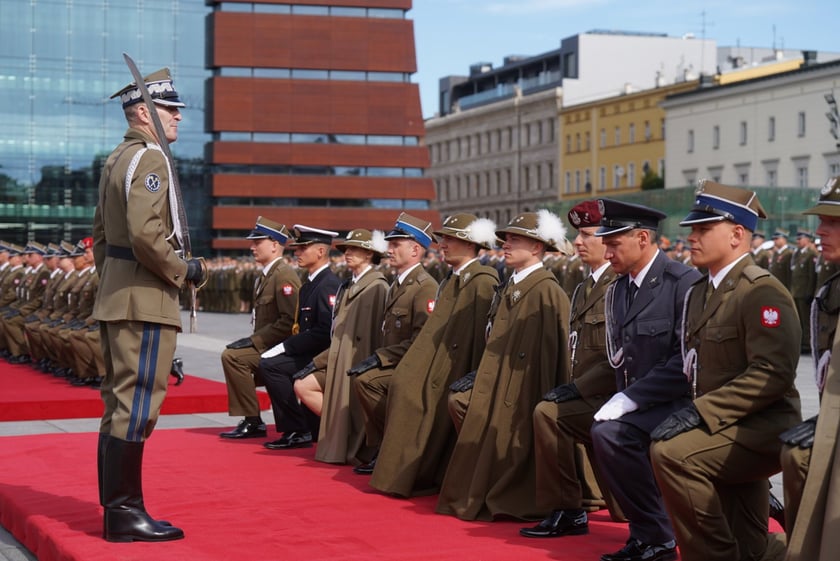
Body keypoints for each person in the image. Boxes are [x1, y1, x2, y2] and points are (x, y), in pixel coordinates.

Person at [648, 180, 801, 561]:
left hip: (763, 423)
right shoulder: (702, 290)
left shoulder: (761, 291)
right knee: (751, 544)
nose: (693, 238)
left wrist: (699, 413)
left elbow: (772, 373)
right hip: (726, 424)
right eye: (693, 230)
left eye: (703, 229)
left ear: (736, 235)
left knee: (673, 454)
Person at [92, 67, 205, 543]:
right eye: (169, 109)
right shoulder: (150, 158)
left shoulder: (119, 157)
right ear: (143, 112)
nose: (177, 116)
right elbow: (145, 235)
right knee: (137, 404)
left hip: (120, 293)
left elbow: (100, 239)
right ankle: (124, 513)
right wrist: (185, 271)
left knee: (119, 403)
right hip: (145, 298)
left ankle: (118, 511)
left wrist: (115, 283)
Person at [437, 210, 571, 521]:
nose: (506, 245)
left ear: (537, 247)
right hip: (497, 378)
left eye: (515, 239)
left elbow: (556, 357)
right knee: (462, 404)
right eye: (506, 239)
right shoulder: (513, 283)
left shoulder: (547, 290)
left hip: (523, 388)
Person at [590, 199, 701, 561]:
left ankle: (658, 537)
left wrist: (630, 399)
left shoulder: (682, 283)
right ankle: (648, 532)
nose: (606, 252)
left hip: (678, 402)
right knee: (590, 426)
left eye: (613, 243)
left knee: (610, 435)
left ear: (641, 238)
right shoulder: (620, 289)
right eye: (604, 243)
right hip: (639, 401)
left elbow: (685, 358)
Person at [369, 213, 499, 497]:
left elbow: (479, 340)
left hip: (456, 368)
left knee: (412, 392)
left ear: (470, 244)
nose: (443, 244)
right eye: (444, 239)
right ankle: (404, 470)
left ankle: (418, 470)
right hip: (439, 363)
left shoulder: (482, 281)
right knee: (403, 385)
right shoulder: (454, 279)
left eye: (451, 239)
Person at [520, 200, 623, 539]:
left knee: (549, 414)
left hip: (613, 395)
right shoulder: (583, 288)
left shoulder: (617, 287)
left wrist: (577, 389)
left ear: (608, 240)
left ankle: (568, 508)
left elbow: (619, 357)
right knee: (550, 409)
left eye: (587, 235)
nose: (577, 243)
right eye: (578, 235)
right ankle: (570, 506)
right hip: (590, 392)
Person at [780, 175, 840, 561]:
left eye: (833, 222)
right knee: (796, 454)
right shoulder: (831, 288)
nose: (820, 230)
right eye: (821, 221)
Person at [350, 213, 439, 474]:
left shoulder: (424, 287)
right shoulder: (398, 284)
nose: (389, 250)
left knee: (367, 381)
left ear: (415, 249)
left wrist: (380, 358)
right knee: (363, 379)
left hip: (411, 365)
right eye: (390, 244)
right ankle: (383, 446)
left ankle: (388, 446)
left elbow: (421, 339)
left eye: (395, 245)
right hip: (397, 361)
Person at [293, 229, 388, 465]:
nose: (347, 253)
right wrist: (317, 362)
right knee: (303, 386)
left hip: (357, 361)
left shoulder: (377, 287)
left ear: (368, 254)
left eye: (354, 249)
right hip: (337, 358)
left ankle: (351, 439)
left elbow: (376, 334)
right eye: (346, 249)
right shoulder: (348, 285)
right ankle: (339, 433)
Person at [258, 225, 340, 450]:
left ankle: (297, 429)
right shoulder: (310, 285)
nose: (297, 252)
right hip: (309, 351)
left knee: (271, 366)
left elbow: (325, 333)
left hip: (321, 356)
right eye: (297, 248)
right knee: (271, 364)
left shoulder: (328, 285)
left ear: (321, 252)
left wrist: (286, 346)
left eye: (304, 248)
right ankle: (307, 424)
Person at [218, 216, 300, 439]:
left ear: (275, 245)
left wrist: (253, 342)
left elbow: (289, 321)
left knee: (233, 357)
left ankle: (253, 420)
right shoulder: (267, 275)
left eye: (258, 242)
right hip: (267, 344)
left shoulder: (283, 275)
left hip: (279, 347)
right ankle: (251, 418)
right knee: (234, 357)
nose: (252, 247)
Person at [790, 229, 818, 353]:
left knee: (806, 320)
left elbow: (811, 276)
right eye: (797, 239)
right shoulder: (798, 254)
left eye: (800, 238)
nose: (798, 241)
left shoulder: (811, 254)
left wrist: (809, 292)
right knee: (799, 319)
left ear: (807, 239)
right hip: (796, 291)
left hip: (804, 292)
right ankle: (801, 342)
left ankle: (807, 344)